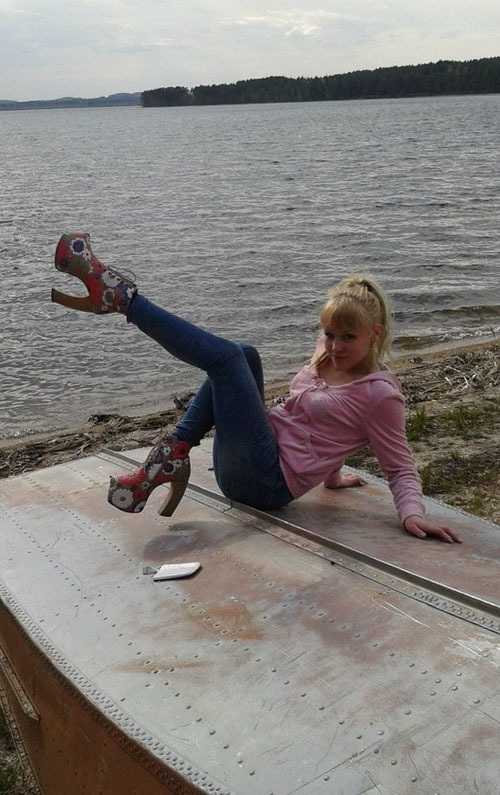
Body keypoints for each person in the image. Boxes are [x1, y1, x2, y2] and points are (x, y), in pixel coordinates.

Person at [51, 232, 461, 543]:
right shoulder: (328, 355)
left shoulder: (381, 396)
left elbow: (399, 467)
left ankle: (123, 300)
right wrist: (332, 476)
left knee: (228, 360)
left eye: (348, 337)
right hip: (256, 454)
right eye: (329, 334)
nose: (334, 346)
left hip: (265, 482)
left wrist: (412, 514)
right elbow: (328, 427)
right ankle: (172, 455)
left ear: (375, 334)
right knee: (245, 354)